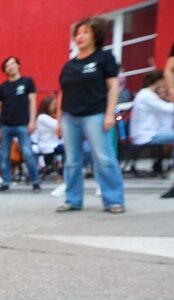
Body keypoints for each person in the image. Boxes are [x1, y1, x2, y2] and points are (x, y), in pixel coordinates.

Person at [56, 16, 125, 214]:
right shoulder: (69, 65)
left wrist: (110, 114)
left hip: (95, 114)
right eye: (78, 33)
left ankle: (113, 200)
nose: (80, 37)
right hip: (70, 116)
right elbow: (62, 93)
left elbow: (113, 87)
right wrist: (59, 120)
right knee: (71, 161)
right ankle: (73, 200)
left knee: (103, 158)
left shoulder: (104, 58)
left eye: (85, 32)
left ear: (96, 35)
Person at [0, 56, 41, 192]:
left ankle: (35, 181)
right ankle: (6, 182)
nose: (10, 67)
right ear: (5, 70)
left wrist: (32, 121)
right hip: (5, 124)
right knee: (5, 156)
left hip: (22, 124)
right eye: (7, 66)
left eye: (13, 64)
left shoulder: (27, 82)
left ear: (18, 65)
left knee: (27, 153)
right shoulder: (2, 87)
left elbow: (32, 102)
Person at [129, 71, 174, 198]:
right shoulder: (146, 95)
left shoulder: (148, 94)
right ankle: (170, 171)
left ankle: (162, 167)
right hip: (145, 135)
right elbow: (168, 109)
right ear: (159, 81)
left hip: (151, 133)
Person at [35, 95, 65, 182]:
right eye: (54, 104)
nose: (56, 107)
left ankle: (60, 171)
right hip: (48, 145)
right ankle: (61, 171)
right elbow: (58, 126)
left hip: (55, 143)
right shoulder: (42, 117)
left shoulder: (50, 117)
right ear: (47, 105)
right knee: (67, 149)